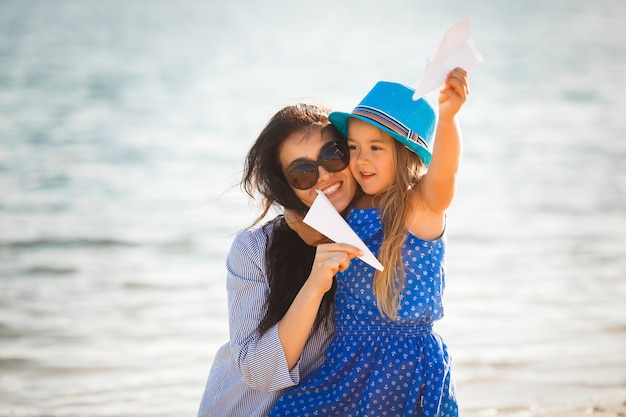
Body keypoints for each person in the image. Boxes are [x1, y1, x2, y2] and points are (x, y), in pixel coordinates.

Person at [269, 68, 469, 417]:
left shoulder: (416, 206)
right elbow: (303, 221)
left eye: (376, 148)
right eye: (353, 148)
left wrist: (449, 117)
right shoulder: (348, 207)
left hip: (405, 362)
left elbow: (445, 174)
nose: (362, 160)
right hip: (347, 358)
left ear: (405, 153)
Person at [196, 103, 363, 417]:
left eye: (333, 155)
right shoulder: (255, 249)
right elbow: (258, 372)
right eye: (302, 172)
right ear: (286, 188)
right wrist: (314, 285)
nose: (325, 174)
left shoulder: (381, 234)